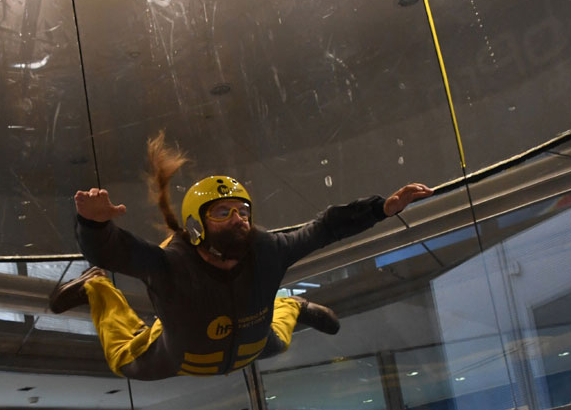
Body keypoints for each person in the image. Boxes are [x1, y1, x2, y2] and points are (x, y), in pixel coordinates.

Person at [49, 132, 433, 380]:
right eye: (222, 212)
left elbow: (324, 228)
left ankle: (292, 306)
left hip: (254, 343)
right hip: (178, 357)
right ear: (196, 225)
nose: (238, 219)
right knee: (122, 357)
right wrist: (93, 224)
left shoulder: (269, 251)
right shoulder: (171, 266)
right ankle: (97, 288)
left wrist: (380, 209)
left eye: (243, 211)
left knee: (277, 338)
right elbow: (116, 251)